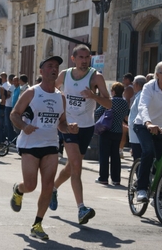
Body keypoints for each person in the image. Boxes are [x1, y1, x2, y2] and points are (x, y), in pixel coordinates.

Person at [10, 56, 79, 240]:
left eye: (56, 66)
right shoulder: (32, 93)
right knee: (31, 185)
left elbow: (61, 123)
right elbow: (14, 114)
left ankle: (37, 224)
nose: (54, 69)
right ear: (41, 71)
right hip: (30, 144)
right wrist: (24, 126)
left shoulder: (61, 97)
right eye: (50, 66)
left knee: (48, 186)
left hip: (50, 145)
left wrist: (69, 127)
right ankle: (19, 190)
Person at [50, 44, 112, 224]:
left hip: (86, 127)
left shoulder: (96, 77)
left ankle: (53, 188)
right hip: (68, 125)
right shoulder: (65, 75)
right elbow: (51, 92)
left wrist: (94, 96)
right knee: (77, 165)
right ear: (74, 59)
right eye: (81, 57)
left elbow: (109, 104)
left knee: (71, 167)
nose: (85, 61)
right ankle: (81, 208)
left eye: (87, 57)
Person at [133, 61, 162, 202]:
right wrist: (148, 123)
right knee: (148, 152)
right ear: (157, 75)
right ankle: (141, 188)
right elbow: (143, 107)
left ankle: (158, 196)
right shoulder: (149, 87)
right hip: (143, 125)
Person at [94, 82, 129, 185]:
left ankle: (103, 178)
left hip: (107, 130)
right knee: (115, 155)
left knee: (104, 155)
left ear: (113, 92)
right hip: (118, 131)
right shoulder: (125, 103)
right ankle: (116, 179)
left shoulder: (110, 102)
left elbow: (97, 113)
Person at [128, 75, 146, 161]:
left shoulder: (141, 96)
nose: (133, 85)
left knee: (138, 158)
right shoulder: (139, 95)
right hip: (135, 134)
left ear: (137, 84)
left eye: (133, 83)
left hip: (138, 133)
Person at [119, 73, 135, 158]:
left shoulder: (129, 89)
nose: (123, 81)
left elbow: (127, 101)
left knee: (124, 132)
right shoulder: (131, 88)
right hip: (130, 112)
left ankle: (120, 150)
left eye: (124, 79)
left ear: (128, 80)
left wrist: (125, 113)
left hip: (128, 112)